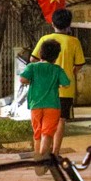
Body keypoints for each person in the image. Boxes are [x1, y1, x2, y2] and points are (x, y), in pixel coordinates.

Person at [31, 8, 85, 156]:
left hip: (44, 89)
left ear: (52, 23)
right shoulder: (74, 41)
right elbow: (80, 63)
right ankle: (55, 152)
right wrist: (71, 73)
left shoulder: (45, 40)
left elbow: (33, 59)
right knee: (61, 120)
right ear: (69, 24)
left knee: (42, 120)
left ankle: (41, 150)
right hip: (65, 88)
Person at [19, 38, 70, 173]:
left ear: (41, 53)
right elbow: (66, 83)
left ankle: (38, 160)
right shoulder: (57, 69)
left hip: (35, 105)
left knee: (37, 133)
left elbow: (23, 79)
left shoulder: (32, 67)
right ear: (56, 56)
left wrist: (31, 81)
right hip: (53, 106)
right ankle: (42, 158)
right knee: (47, 133)